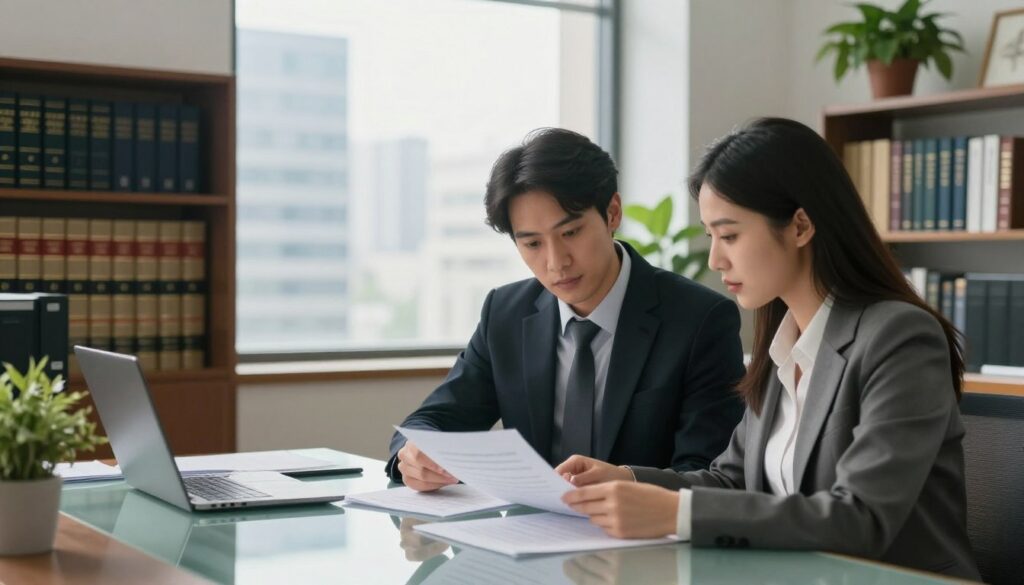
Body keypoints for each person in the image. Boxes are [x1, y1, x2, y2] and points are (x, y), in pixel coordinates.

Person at [557, 118, 980, 580]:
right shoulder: (784, 344)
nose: (716, 259)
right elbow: (731, 480)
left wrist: (675, 514)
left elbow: (861, 518)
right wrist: (628, 480)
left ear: (800, 225)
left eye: (730, 235)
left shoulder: (899, 337)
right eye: (711, 236)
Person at [387, 128, 746, 491]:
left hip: (644, 539)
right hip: (530, 536)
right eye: (532, 243)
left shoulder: (699, 320)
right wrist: (415, 454)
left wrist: (627, 481)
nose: (556, 262)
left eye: (571, 233)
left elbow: (707, 472)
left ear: (612, 213)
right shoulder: (506, 314)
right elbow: (432, 421)